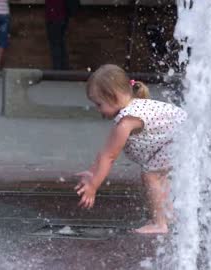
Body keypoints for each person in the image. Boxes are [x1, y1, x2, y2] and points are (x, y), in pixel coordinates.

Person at [74, 64, 187, 234]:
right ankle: (168, 215)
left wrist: (93, 186)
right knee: (159, 176)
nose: (98, 110)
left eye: (99, 104)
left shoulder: (127, 121)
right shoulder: (132, 108)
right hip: (183, 137)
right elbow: (105, 151)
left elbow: (109, 156)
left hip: (182, 138)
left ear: (112, 96)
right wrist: (92, 172)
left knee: (151, 175)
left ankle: (159, 224)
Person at [45, 0, 69, 70]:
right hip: (61, 16)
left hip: (54, 16)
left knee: (55, 44)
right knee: (60, 43)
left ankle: (58, 70)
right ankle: (64, 68)